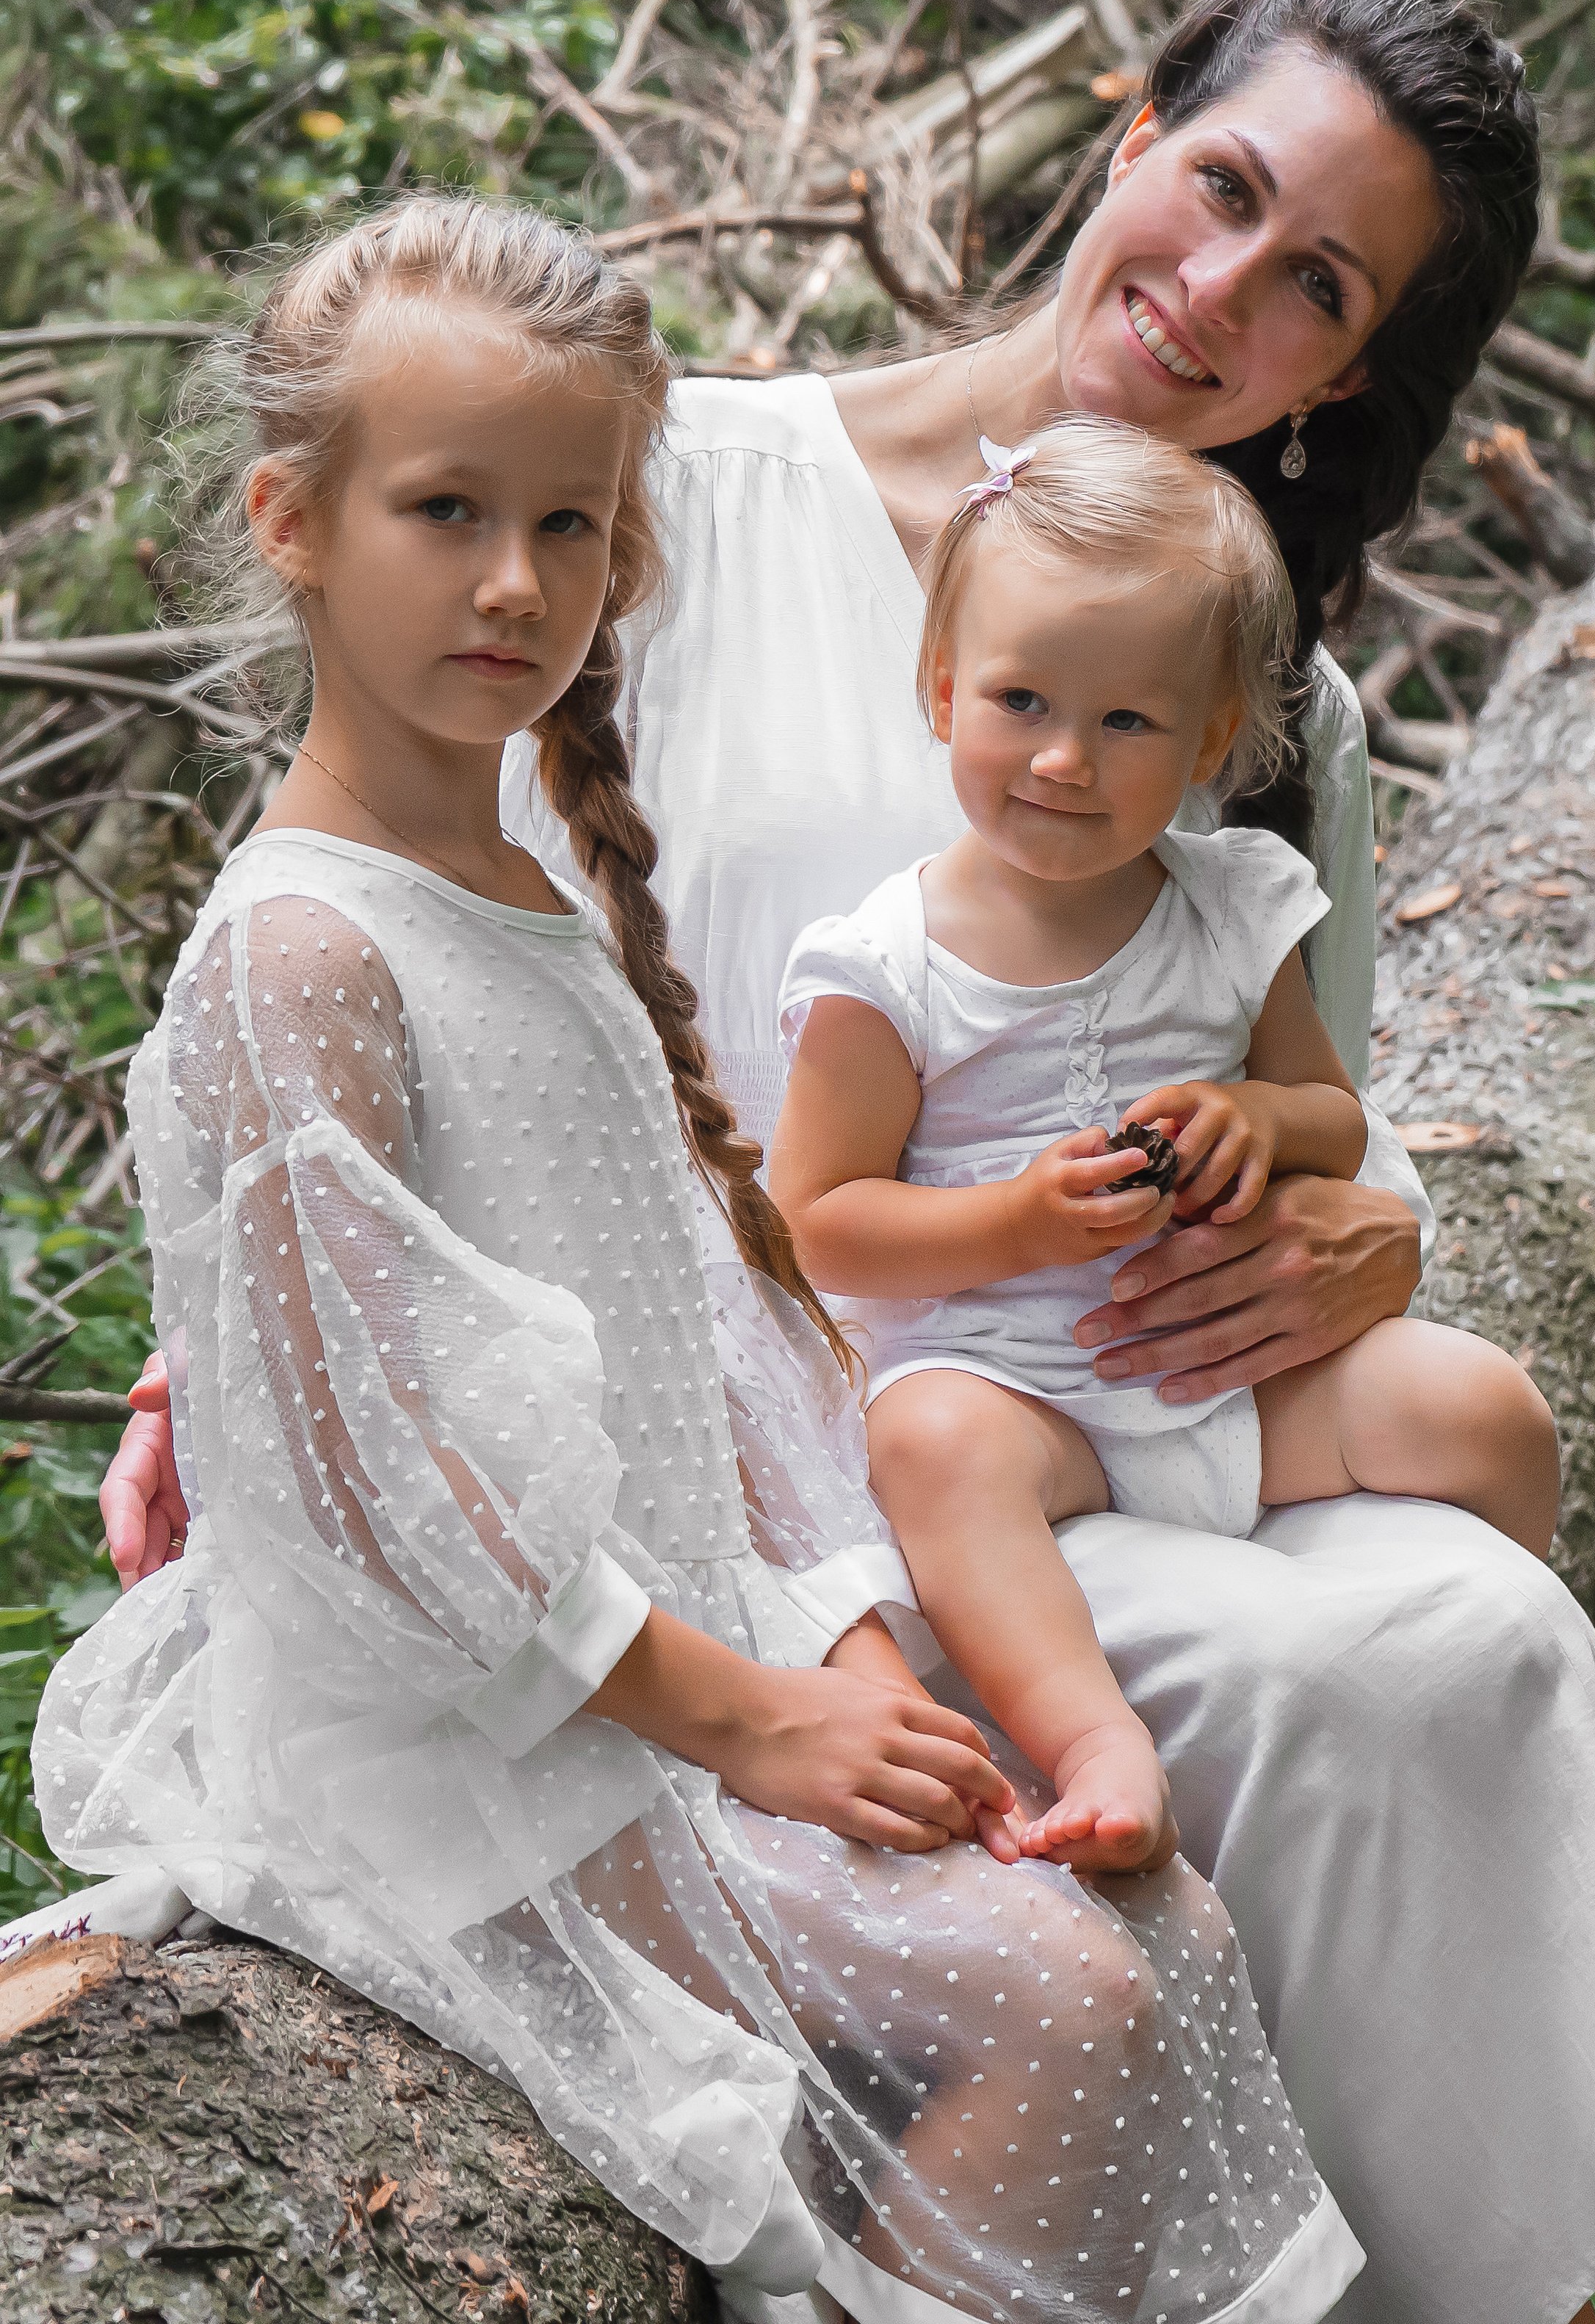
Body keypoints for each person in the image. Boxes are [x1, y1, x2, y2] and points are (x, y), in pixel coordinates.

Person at [101, 0, 1595, 2323]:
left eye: (1318, 283)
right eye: (1223, 189)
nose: (1221, 294)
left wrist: (1351, 1250)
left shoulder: (1266, 691)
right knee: (1386, 1679)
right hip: (767, 1453)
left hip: (1064, 1414)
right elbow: (371, 949)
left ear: (1350, 369)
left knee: (1483, 1627)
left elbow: (1328, 1128)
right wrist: (224, 1355)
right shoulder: (658, 493)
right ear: (1126, 138)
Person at [31, 195, 1364, 2324]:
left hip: (673, 1650)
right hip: (475, 1731)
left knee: (1166, 1934)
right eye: (446, 510)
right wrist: (746, 1723)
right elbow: (378, 1510)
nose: (515, 583)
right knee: (1066, 2002)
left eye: (573, 526)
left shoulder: (527, 901)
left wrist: (840, 1656)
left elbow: (714, 1367)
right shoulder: (308, 952)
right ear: (291, 517)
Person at [770, 420, 1558, 1876]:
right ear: (944, 692)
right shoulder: (886, 967)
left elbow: (1331, 1117)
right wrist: (1008, 1223)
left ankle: (1493, 1720)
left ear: (1204, 742)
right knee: (922, 1441)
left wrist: (1262, 1120)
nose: (1064, 759)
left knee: (1485, 1406)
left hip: (1233, 1381)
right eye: (1020, 701)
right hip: (1018, 1395)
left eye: (1127, 723)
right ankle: (1089, 1739)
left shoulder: (1234, 909)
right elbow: (813, 1221)